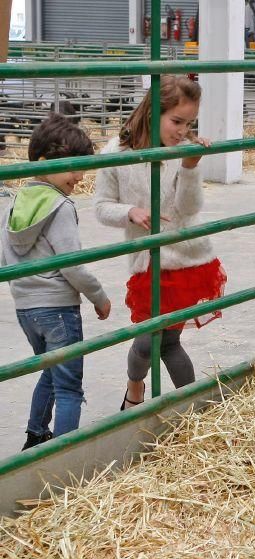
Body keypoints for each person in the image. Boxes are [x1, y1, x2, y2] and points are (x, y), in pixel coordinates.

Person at [94, 75, 226, 411]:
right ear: (153, 112)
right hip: (147, 263)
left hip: (184, 261)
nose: (183, 130)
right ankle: (139, 388)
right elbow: (101, 208)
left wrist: (191, 167)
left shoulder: (181, 151)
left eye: (189, 122)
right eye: (176, 121)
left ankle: (193, 410)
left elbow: (189, 208)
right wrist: (130, 211)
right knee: (150, 343)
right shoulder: (116, 153)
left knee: (165, 341)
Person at [1, 112, 112, 450]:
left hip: (26, 310)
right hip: (59, 309)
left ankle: (36, 436)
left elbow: (6, 257)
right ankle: (62, 456)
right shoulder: (60, 206)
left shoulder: (16, 201)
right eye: (72, 168)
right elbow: (73, 265)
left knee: (50, 372)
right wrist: (99, 296)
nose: (79, 176)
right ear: (44, 161)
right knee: (69, 387)